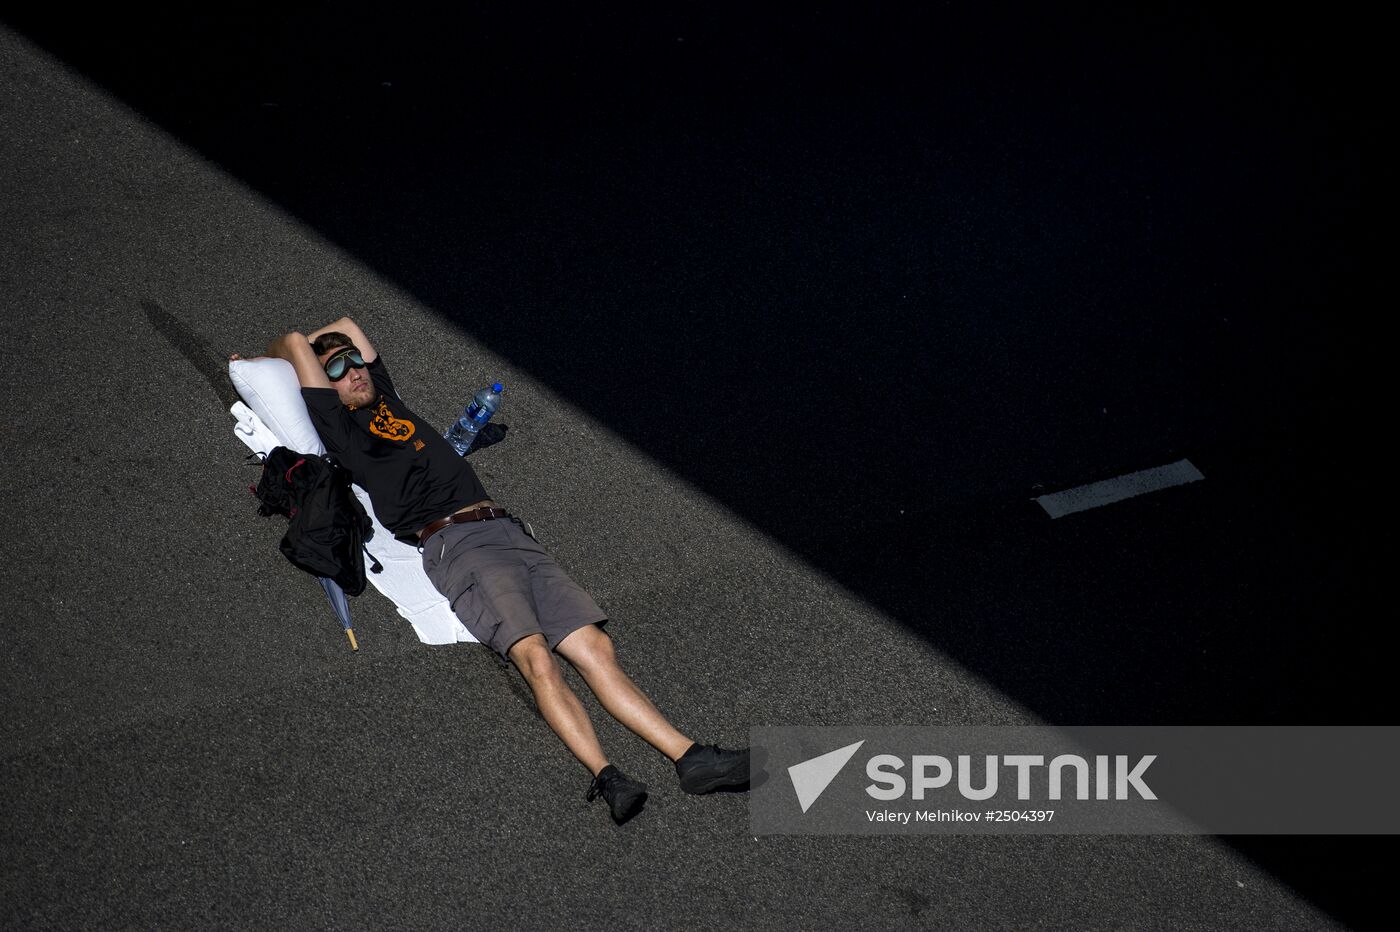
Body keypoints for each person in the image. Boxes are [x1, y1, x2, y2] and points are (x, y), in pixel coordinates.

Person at [256, 316, 751, 824]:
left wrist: (339, 348)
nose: (354, 369)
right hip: (453, 543)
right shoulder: (341, 429)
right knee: (535, 655)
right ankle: (607, 776)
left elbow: (348, 325)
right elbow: (293, 343)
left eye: (355, 360)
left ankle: (691, 759)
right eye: (336, 367)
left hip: (505, 530)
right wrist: (286, 357)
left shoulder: (384, 396)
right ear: (319, 382)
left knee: (595, 647)